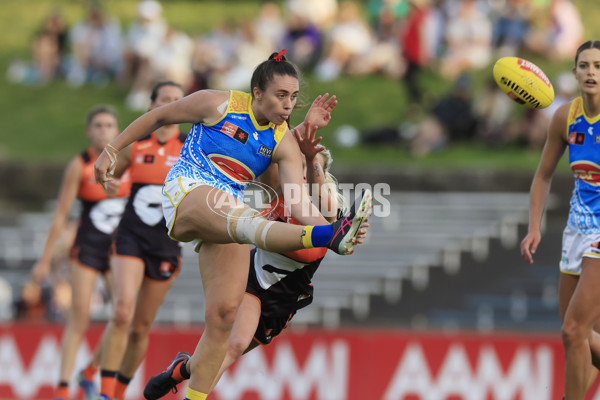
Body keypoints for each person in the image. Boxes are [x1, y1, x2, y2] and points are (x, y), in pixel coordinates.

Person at [94, 50, 372, 400]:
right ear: (257, 92)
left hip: (227, 214)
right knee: (246, 221)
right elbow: (159, 116)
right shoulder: (218, 104)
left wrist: (336, 231)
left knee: (225, 319)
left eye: (293, 97)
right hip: (189, 189)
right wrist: (112, 148)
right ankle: (330, 235)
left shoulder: (283, 141)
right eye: (281, 96)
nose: (288, 105)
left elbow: (298, 202)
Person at [142, 125, 368, 399]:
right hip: (251, 278)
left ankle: (181, 369)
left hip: (284, 298)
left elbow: (332, 223)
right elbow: (268, 149)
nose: (304, 174)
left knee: (217, 354)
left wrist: (311, 158)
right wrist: (297, 132)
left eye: (310, 169)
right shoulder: (279, 193)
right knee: (234, 344)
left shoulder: (326, 207)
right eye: (301, 167)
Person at [29, 105, 130, 400]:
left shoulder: (128, 162)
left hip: (118, 249)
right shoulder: (80, 165)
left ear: (118, 130)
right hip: (87, 246)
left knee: (122, 315)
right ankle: (62, 389)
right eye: (98, 125)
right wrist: (45, 259)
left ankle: (91, 372)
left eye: (110, 125)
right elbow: (61, 214)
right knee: (79, 316)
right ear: (89, 131)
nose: (103, 131)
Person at [95, 81, 186, 400]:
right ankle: (105, 393)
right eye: (165, 99)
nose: (172, 105)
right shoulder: (137, 146)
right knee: (121, 312)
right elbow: (109, 178)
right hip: (131, 236)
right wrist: (107, 183)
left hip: (165, 244)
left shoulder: (190, 148)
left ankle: (119, 391)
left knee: (139, 327)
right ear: (151, 105)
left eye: (178, 100)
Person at [520, 40, 600, 400]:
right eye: (584, 65)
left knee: (573, 331)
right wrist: (534, 226)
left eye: (598, 66)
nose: (591, 72)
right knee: (579, 337)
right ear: (574, 73)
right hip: (576, 231)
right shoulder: (565, 117)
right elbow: (543, 175)